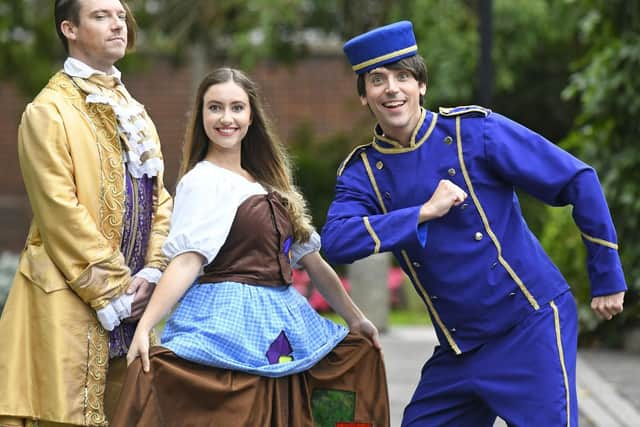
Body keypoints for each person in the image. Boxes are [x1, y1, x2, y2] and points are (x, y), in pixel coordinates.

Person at [321, 20, 627, 427]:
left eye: (403, 76)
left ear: (421, 85)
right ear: (364, 96)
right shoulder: (364, 173)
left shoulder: (473, 132)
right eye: (377, 79)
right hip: (459, 348)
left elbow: (577, 179)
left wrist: (607, 276)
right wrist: (423, 212)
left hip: (528, 326)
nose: (391, 88)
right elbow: (337, 240)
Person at [111, 67, 389, 427]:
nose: (226, 118)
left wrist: (357, 318)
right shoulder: (202, 181)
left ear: (251, 116)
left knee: (315, 403)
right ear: (201, 116)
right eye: (215, 108)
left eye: (237, 108)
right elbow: (186, 261)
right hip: (226, 323)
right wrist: (147, 327)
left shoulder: (269, 183)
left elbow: (314, 262)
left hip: (285, 325)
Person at [0, 0, 172, 425]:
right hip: (72, 302)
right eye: (101, 16)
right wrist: (115, 289)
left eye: (120, 16)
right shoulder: (48, 110)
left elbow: (159, 198)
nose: (118, 24)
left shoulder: (134, 111)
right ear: (69, 29)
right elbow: (60, 212)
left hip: (135, 307)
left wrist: (153, 272)